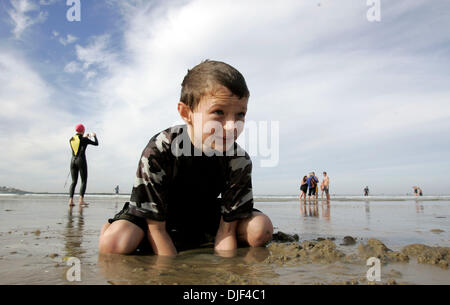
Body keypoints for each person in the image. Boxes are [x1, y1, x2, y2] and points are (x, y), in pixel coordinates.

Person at [98, 60, 274, 257]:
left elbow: (227, 230)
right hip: (156, 216)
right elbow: (156, 229)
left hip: (204, 213)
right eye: (218, 112)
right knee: (113, 244)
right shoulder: (160, 149)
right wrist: (170, 272)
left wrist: (227, 272)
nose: (232, 126)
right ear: (186, 113)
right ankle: (114, 225)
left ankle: (191, 236)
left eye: (240, 114)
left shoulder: (238, 160)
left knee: (261, 228)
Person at [68, 124, 98, 207]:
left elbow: (79, 144)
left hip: (72, 161)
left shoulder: (71, 139)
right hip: (81, 160)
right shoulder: (84, 139)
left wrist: (85, 137)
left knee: (74, 181)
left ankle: (70, 201)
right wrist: (94, 136)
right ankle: (81, 200)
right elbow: (96, 143)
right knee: (83, 181)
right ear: (83, 130)